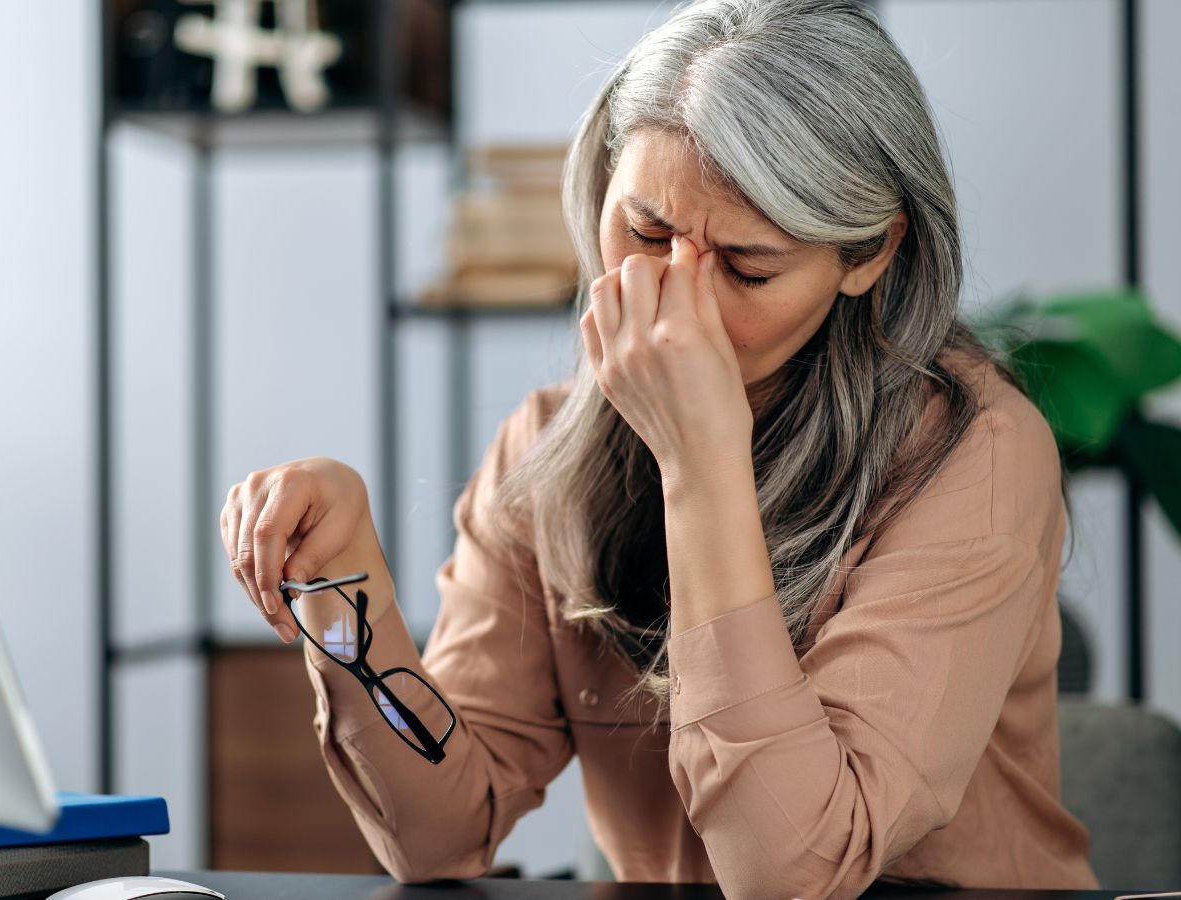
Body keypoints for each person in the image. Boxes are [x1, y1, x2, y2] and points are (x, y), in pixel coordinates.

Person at [218, 1, 1102, 897]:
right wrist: (344, 588)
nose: (676, 299)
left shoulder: (975, 453)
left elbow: (795, 874)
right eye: (644, 233)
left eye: (748, 267)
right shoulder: (550, 450)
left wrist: (700, 463)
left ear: (868, 256)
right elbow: (439, 836)